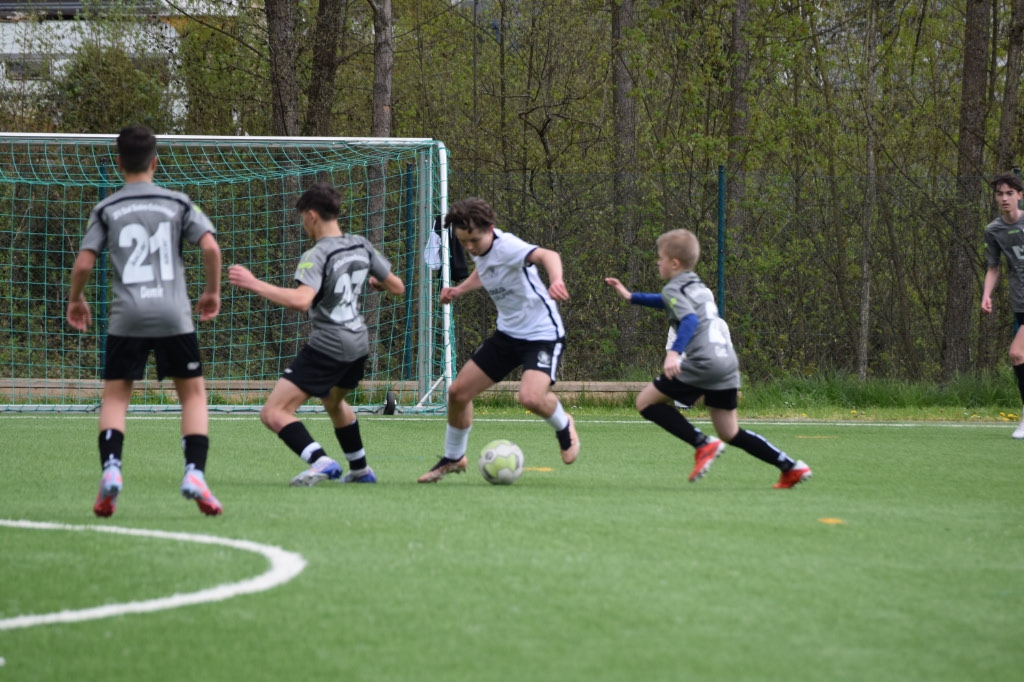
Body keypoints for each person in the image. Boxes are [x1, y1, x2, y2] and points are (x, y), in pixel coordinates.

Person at [67, 124, 224, 517]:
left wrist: (76, 299)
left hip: (128, 318)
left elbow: (84, 263)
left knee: (116, 397)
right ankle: (194, 474)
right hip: (173, 315)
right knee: (193, 395)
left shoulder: (106, 208)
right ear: (155, 162)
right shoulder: (178, 203)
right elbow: (210, 247)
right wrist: (212, 292)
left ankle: (112, 469)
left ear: (119, 163)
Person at [604, 228, 811, 489]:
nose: (657, 262)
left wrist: (673, 353)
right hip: (726, 364)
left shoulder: (674, 289)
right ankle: (790, 467)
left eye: (660, 258)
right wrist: (631, 296)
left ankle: (702, 443)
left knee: (645, 402)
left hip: (703, 363)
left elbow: (688, 318)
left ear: (674, 263)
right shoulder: (696, 285)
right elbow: (669, 301)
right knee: (729, 432)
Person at [228, 182, 405, 485]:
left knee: (273, 412)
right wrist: (378, 283)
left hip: (329, 345)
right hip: (359, 344)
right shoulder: (361, 245)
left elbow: (301, 301)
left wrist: (254, 283)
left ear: (311, 215)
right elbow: (397, 286)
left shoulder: (317, 254)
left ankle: (321, 461)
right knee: (333, 401)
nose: (303, 225)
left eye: (302, 218)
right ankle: (360, 470)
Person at [418, 197, 579, 483]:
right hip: (507, 334)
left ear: (490, 229)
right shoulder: (481, 248)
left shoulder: (509, 246)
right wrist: (459, 290)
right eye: (463, 242)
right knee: (458, 393)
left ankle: (564, 424)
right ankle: (454, 457)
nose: (469, 247)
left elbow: (548, 255)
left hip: (542, 334)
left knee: (530, 397)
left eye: (474, 241)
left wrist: (556, 280)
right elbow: (486, 269)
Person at [981, 172, 1024, 438]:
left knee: (1017, 354)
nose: (1005, 198)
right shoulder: (993, 230)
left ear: (1020, 195)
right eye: (1000, 194)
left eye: (1010, 193)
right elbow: (993, 267)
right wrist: (986, 295)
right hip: (1019, 303)